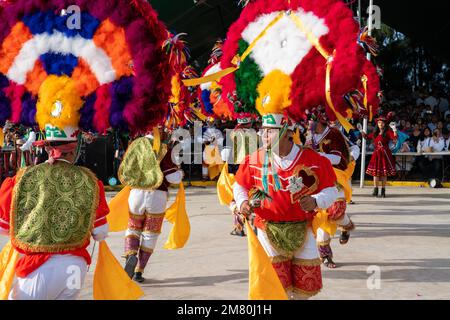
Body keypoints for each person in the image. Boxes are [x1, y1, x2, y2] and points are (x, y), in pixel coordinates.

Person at [233, 112, 339, 299]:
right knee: (276, 288)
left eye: (270, 131)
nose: (264, 135)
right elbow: (240, 185)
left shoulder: (313, 160)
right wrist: (242, 203)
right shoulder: (255, 159)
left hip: (303, 229)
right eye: (262, 131)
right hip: (267, 230)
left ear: (286, 132)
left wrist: (315, 201)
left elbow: (331, 191)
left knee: (304, 291)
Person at [0, 123, 109, 300]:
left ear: (47, 148)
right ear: (74, 149)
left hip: (37, 269)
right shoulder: (91, 182)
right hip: (75, 268)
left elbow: (4, 228)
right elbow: (101, 232)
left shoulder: (23, 178)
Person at [121, 128, 184, 283]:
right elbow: (173, 178)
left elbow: (125, 170)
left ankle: (130, 254)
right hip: (157, 195)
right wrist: (180, 172)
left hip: (136, 194)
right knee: (150, 233)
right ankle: (139, 271)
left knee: (132, 228)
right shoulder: (163, 148)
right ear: (159, 131)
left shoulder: (135, 144)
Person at [306, 109, 355, 268]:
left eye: (311, 121)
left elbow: (339, 158)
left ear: (319, 121)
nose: (308, 124)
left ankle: (346, 226)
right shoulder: (310, 136)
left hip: (335, 177)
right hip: (316, 180)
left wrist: (317, 156)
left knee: (336, 211)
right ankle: (325, 254)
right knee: (321, 214)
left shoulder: (334, 135)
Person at [362, 113, 398, 198]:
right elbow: (366, 136)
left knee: (383, 174)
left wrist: (394, 129)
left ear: (385, 124)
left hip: (385, 154)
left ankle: (383, 190)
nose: (380, 124)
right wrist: (361, 131)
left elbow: (395, 139)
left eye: (382, 123)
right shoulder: (375, 133)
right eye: (379, 123)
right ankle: (375, 190)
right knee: (376, 173)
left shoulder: (388, 132)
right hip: (377, 154)